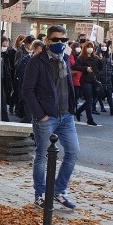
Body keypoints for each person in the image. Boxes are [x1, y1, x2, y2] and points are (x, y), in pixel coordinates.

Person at [21, 25, 80, 210]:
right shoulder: (37, 61)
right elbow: (27, 90)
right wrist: (41, 116)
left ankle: (58, 190)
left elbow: (68, 86)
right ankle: (40, 194)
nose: (60, 43)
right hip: (47, 117)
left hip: (66, 116)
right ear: (47, 41)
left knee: (73, 152)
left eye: (64, 40)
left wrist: (71, 108)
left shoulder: (64, 60)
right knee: (42, 156)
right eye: (56, 40)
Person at [72, 41, 102, 126]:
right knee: (89, 100)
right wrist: (85, 68)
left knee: (91, 100)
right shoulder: (81, 58)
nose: (90, 49)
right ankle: (90, 119)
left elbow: (100, 68)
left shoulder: (95, 58)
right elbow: (75, 67)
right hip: (85, 80)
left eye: (91, 47)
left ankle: (79, 111)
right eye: (88, 47)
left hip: (94, 80)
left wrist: (100, 60)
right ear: (85, 48)